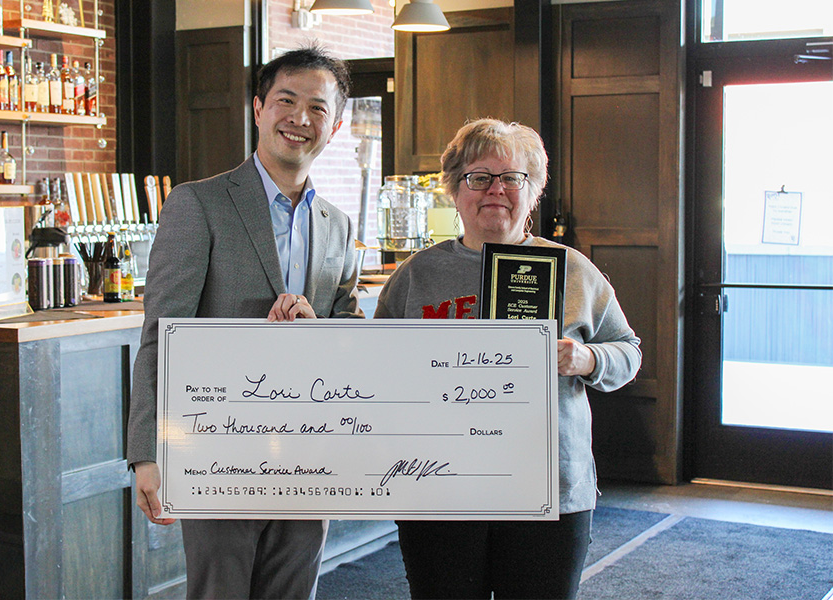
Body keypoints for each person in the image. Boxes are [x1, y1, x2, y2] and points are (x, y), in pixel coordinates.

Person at [127, 44, 364, 599]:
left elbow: (349, 334)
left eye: (318, 108)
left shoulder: (337, 224)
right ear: (258, 109)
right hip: (217, 446)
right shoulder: (198, 204)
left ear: (334, 126)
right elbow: (161, 336)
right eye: (286, 100)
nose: (299, 118)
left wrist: (318, 329)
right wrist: (147, 453)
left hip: (310, 450)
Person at [374, 118, 642, 599]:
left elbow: (628, 351)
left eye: (512, 178)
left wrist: (585, 359)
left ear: (533, 190)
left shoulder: (572, 270)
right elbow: (376, 369)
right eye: (479, 177)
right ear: (455, 190)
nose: (495, 189)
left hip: (548, 487)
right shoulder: (416, 275)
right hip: (439, 484)